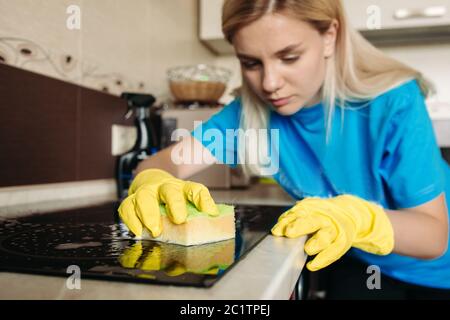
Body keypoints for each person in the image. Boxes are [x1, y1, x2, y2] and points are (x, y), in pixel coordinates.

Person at [118, 0, 450, 299]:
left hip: (438, 270)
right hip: (358, 257)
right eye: (251, 63)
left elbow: (433, 236)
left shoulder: (393, 102)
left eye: (289, 57)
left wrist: (359, 217)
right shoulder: (248, 113)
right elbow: (161, 164)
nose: (269, 83)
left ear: (329, 37)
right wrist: (153, 182)